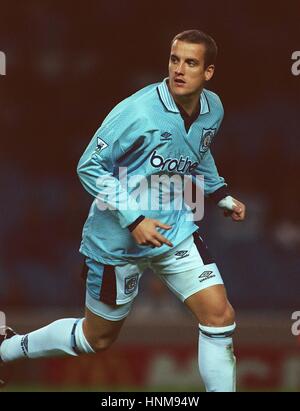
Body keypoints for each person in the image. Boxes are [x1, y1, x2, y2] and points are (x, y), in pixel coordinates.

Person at [0, 29, 245, 392]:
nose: (179, 69)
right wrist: (134, 219)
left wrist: (220, 192)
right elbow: (89, 166)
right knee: (95, 339)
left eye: (190, 63)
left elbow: (198, 150)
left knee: (220, 316)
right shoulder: (138, 111)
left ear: (208, 73)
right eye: (174, 59)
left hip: (174, 230)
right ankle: (6, 349)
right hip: (116, 242)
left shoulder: (214, 108)